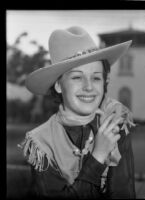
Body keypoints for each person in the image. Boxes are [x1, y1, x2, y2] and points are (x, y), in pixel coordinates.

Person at [18, 26, 136, 199]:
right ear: (58, 85)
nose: (88, 87)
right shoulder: (41, 143)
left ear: (104, 82)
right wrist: (98, 156)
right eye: (77, 77)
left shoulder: (116, 126)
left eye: (96, 77)